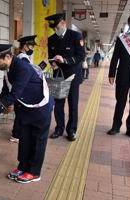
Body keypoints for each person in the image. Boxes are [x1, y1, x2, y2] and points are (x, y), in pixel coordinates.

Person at [0, 44, 54, 183]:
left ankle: (34, 172)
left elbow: (15, 93)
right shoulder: (9, 69)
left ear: (8, 56)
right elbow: (5, 91)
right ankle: (22, 167)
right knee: (25, 140)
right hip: (25, 109)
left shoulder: (23, 68)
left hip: (40, 109)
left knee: (37, 141)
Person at [45, 13, 85, 141]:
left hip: (72, 76)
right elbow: (51, 56)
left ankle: (71, 130)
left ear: (63, 23)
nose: (55, 30)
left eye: (57, 27)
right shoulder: (51, 39)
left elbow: (81, 56)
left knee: (73, 104)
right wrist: (54, 64)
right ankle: (59, 128)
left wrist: (65, 60)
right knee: (58, 104)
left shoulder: (76, 36)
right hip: (58, 76)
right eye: (53, 29)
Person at [10, 35, 47, 143]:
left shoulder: (20, 56)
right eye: (32, 46)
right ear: (26, 46)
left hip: (21, 87)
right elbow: (31, 72)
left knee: (20, 112)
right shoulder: (23, 58)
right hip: (22, 89)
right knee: (20, 112)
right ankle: (16, 135)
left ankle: (16, 133)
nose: (33, 49)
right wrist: (43, 64)